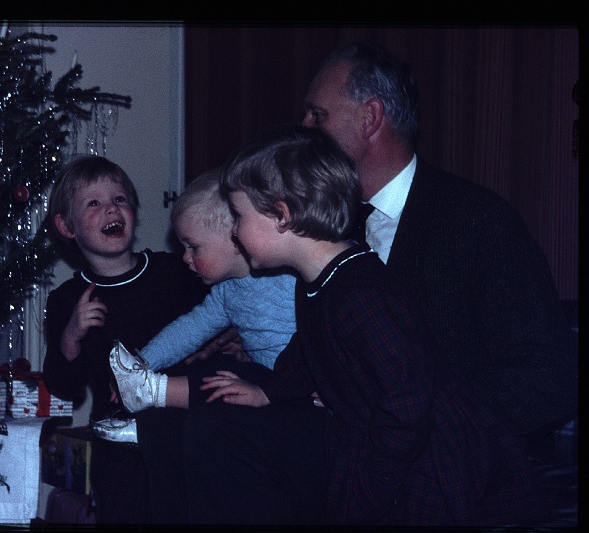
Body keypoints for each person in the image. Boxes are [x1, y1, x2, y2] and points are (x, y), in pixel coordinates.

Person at [182, 124, 545, 526]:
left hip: (427, 459)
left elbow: (408, 401)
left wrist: (375, 483)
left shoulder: (360, 294)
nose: (233, 231)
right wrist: (269, 390)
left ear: (281, 215)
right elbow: (308, 349)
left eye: (238, 216)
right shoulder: (317, 283)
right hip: (380, 443)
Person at [299, 42, 577, 447]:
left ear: (370, 118)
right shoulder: (334, 223)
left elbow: (548, 376)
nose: (304, 127)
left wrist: (422, 420)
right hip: (351, 447)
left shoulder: (479, 221)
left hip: (452, 462)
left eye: (318, 115)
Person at [40, 154, 211, 524]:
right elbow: (63, 384)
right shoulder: (67, 301)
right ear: (67, 226)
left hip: (185, 432)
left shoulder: (173, 272)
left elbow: (216, 319)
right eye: (94, 203)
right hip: (119, 446)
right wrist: (71, 334)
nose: (110, 209)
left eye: (119, 199)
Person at [104, 170, 296, 419]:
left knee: (219, 378)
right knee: (218, 373)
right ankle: (144, 414)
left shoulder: (284, 276)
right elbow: (190, 330)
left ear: (236, 239)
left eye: (193, 247)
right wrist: (144, 362)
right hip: (265, 383)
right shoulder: (226, 292)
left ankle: (150, 390)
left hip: (292, 385)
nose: (185, 258)